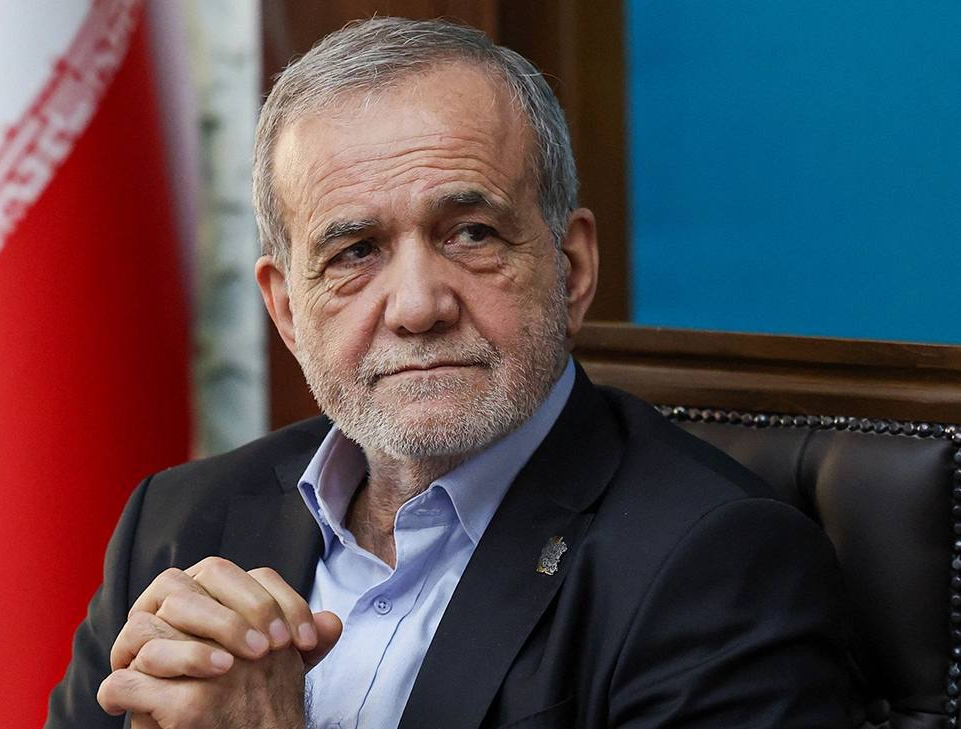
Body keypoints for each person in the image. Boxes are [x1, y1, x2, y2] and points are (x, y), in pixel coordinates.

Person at [46, 17, 852, 729]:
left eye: (471, 233)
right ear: (288, 310)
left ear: (571, 270)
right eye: (355, 251)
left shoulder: (717, 564)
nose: (418, 306)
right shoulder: (178, 524)